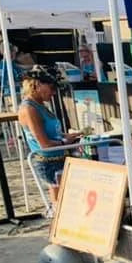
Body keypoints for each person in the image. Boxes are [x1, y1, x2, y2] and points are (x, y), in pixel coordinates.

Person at [16, 67, 81, 204]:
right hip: (48, 161)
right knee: (62, 203)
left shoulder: (39, 104)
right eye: (51, 88)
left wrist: (67, 136)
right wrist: (65, 142)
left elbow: (52, 133)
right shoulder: (29, 108)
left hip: (58, 157)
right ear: (37, 85)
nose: (54, 93)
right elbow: (44, 144)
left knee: (69, 199)